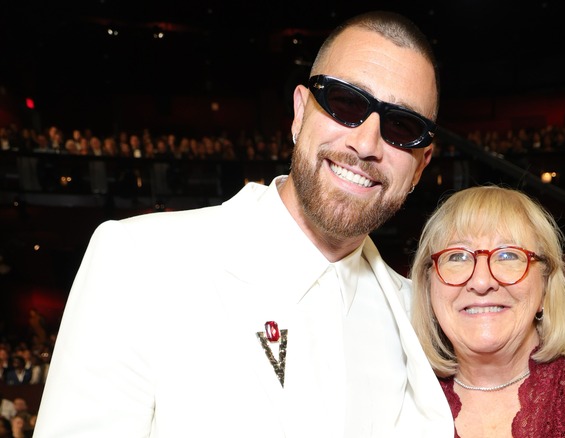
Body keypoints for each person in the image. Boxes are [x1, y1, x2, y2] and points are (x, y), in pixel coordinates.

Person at [33, 10, 453, 438]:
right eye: (346, 103)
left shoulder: (415, 312)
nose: (365, 144)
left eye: (402, 127)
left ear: (421, 167)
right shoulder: (141, 262)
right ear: (299, 113)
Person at [409, 185, 565, 437]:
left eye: (508, 255)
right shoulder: (395, 405)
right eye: (457, 256)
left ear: (545, 287)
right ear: (428, 286)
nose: (481, 281)